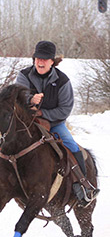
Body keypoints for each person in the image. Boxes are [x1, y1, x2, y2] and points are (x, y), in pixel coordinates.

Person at [15, 40, 99, 206]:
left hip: (54, 124)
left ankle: (83, 186)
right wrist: (29, 99)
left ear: (52, 62)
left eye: (45, 59)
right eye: (38, 58)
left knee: (72, 147)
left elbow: (65, 109)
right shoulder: (23, 75)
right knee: (6, 143)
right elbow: (17, 96)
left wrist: (42, 113)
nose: (40, 62)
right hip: (27, 123)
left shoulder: (62, 81)